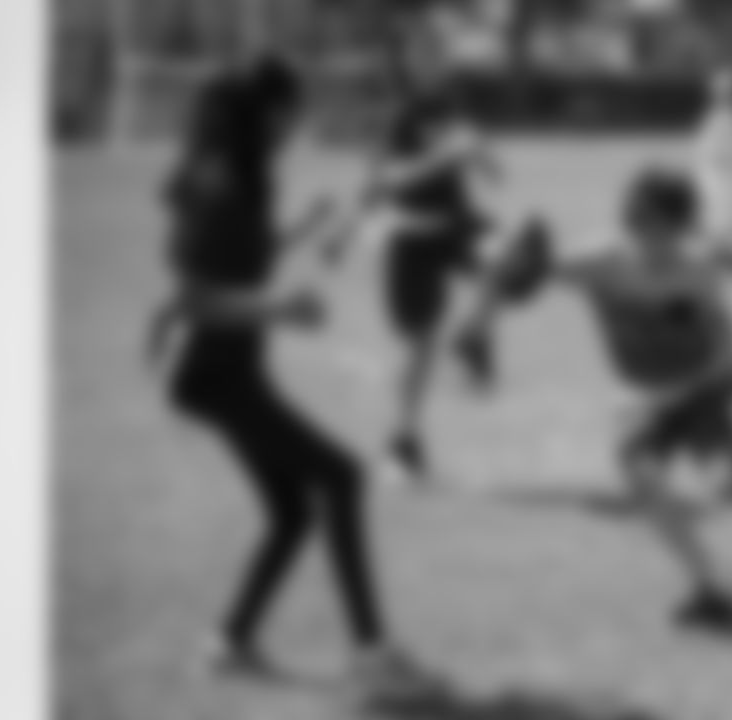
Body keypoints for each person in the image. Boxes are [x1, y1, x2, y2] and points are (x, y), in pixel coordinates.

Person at [148, 54, 438, 695]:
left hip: (229, 371)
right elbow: (192, 299)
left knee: (292, 513)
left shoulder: (241, 178)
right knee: (342, 476)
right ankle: (373, 657)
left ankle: (230, 644)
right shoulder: (219, 182)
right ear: (266, 113)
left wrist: (300, 230)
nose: (295, 127)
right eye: (291, 114)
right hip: (211, 374)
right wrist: (276, 308)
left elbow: (239, 261)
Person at [458, 167, 732, 631]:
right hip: (642, 395)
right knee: (644, 478)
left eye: (646, 217)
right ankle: (710, 590)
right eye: (631, 213)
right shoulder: (602, 260)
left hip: (700, 390)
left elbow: (728, 340)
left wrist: (700, 383)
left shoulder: (697, 268)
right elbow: (518, 275)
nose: (633, 222)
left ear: (677, 224)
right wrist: (502, 262)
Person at [323, 68, 502, 487]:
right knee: (421, 344)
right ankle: (406, 437)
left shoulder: (454, 118)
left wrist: (481, 153)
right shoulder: (396, 128)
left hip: (456, 226)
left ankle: (472, 341)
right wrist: (344, 234)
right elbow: (380, 184)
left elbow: (496, 175)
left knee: (505, 260)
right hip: (412, 238)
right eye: (426, 56)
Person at [691, 65, 732, 243]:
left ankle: (723, 226)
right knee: (720, 192)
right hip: (719, 161)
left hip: (720, 161)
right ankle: (723, 224)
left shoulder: (727, 114)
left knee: (721, 192)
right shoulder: (725, 114)